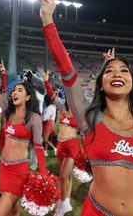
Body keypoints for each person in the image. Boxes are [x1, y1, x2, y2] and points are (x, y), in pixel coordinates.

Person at [37, 0, 133, 216]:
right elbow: (67, 71)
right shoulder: (91, 118)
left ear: (132, 82)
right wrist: (48, 21)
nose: (117, 73)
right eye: (109, 71)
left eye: (124, 70)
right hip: (95, 211)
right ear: (101, 83)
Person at [0, 52, 47, 216]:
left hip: (19, 173)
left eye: (19, 90)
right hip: (3, 168)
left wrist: (42, 175)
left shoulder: (34, 118)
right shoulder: (7, 113)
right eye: (14, 90)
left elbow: (39, 148)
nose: (15, 92)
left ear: (27, 96)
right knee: (13, 210)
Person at [43, 70, 80, 216]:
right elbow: (52, 96)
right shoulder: (63, 111)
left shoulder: (79, 115)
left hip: (72, 146)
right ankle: (67, 202)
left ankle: (62, 204)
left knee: (63, 176)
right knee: (66, 176)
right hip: (60, 145)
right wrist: (46, 82)